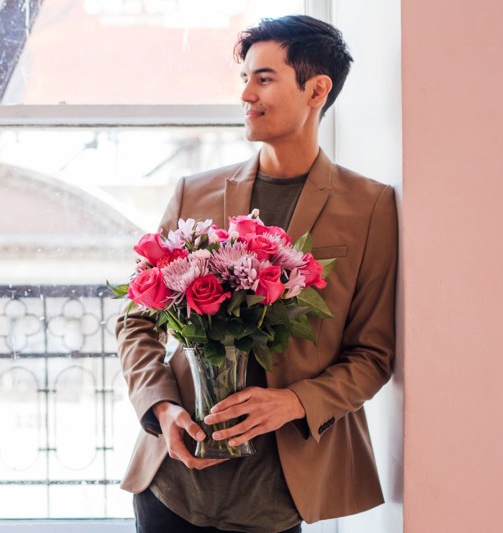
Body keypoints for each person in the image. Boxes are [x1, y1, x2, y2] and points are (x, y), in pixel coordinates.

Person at [116, 15, 398, 533]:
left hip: (278, 492)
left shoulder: (372, 206)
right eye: (244, 78)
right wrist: (161, 410)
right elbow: (136, 322)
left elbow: (374, 354)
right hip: (172, 483)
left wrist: (293, 401)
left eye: (263, 78)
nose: (246, 94)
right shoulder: (193, 193)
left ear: (317, 89)